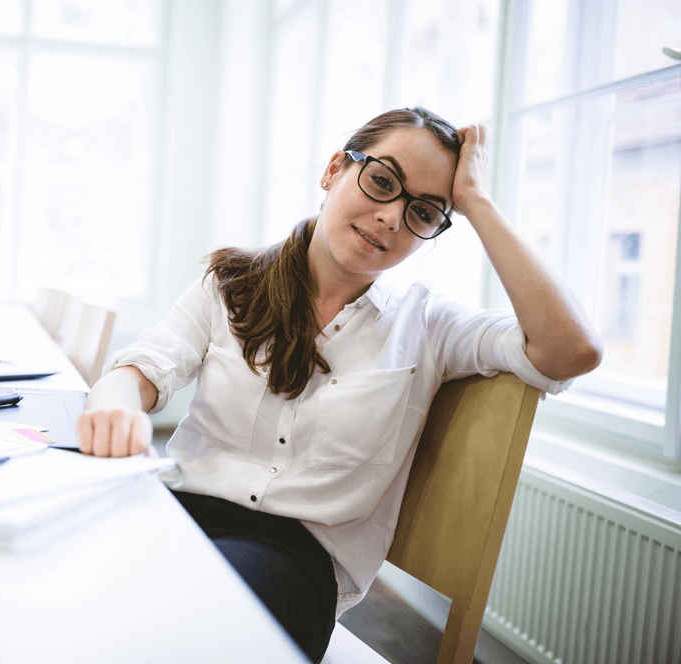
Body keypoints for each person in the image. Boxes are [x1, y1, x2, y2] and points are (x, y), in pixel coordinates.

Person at [74, 107, 603, 662]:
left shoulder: (429, 325)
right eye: (381, 181)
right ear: (334, 170)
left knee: (192, 627)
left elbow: (570, 351)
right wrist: (116, 397)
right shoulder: (232, 283)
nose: (391, 218)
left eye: (423, 211)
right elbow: (148, 364)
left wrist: (477, 203)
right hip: (179, 515)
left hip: (292, 559)